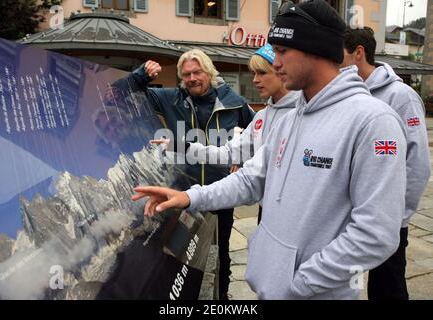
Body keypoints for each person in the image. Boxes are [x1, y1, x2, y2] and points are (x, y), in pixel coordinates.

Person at [131, 0, 408, 300]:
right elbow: (251, 179)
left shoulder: (373, 121)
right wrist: (189, 197)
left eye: (281, 51)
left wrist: (299, 284)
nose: (274, 64)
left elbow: (376, 233)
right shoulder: (289, 119)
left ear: (316, 48)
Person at [115, 49, 255, 300]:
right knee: (179, 252)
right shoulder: (171, 98)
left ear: (210, 73)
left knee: (221, 249)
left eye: (197, 72)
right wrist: (141, 75)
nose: (192, 78)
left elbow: (258, 135)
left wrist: (241, 161)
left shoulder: (233, 101)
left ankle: (221, 296)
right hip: (181, 192)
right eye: (186, 74)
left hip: (220, 192)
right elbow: (118, 93)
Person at [154, 44, 298, 224]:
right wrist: (179, 146)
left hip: (295, 213)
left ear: (282, 72)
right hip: (266, 209)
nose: (254, 80)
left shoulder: (302, 114)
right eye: (253, 73)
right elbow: (229, 154)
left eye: (261, 73)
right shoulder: (262, 117)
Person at [342, 26, 431, 300]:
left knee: (387, 287)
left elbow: (417, 164)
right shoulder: (346, 95)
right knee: (349, 286)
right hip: (349, 217)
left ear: (358, 54)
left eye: (338, 55)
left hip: (387, 220)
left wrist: (398, 215)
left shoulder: (401, 96)